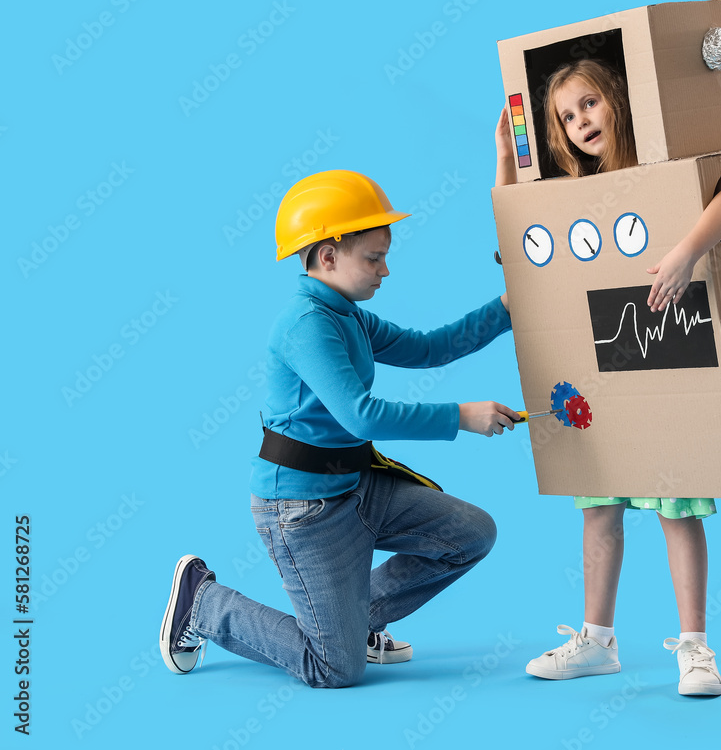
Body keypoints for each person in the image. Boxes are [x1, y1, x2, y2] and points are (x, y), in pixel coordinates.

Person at [160, 169, 520, 688]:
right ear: (328, 256)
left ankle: (355, 621)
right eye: (373, 258)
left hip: (356, 486)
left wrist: (507, 308)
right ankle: (205, 605)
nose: (386, 270)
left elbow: (428, 348)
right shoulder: (305, 322)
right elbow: (362, 415)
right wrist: (460, 417)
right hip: (305, 509)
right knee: (334, 668)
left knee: (471, 535)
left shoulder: (348, 313)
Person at [495, 58, 721, 696]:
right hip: (597, 353)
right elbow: (513, 246)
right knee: (598, 501)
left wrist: (686, 250)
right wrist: (506, 156)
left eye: (589, 103)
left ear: (615, 99)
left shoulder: (664, 169)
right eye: (566, 116)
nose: (581, 121)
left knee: (676, 505)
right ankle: (597, 641)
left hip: (664, 341)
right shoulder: (568, 192)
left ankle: (695, 649)